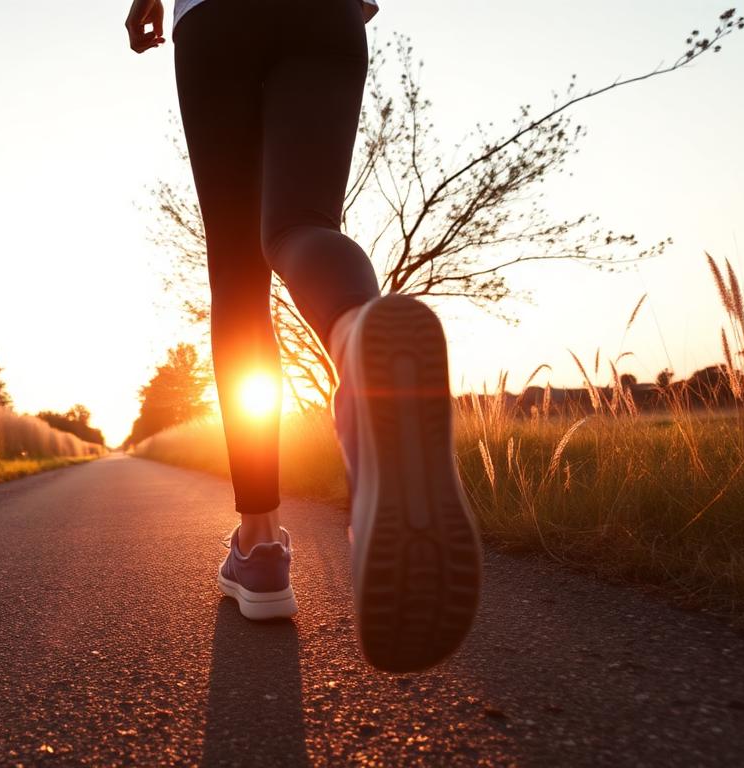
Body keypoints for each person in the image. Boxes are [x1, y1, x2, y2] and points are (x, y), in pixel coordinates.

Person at [125, 0, 481, 673]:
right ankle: (357, 339)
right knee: (300, 225)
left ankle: (259, 546)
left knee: (237, 277)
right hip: (324, 12)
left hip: (216, 20)